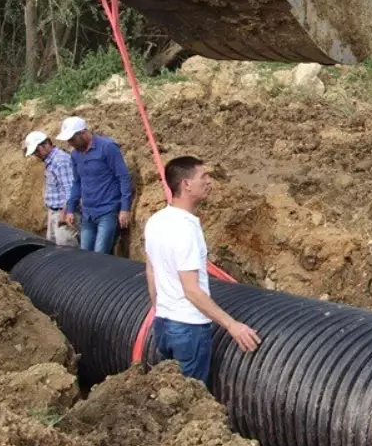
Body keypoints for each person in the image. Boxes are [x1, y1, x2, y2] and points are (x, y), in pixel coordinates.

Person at [145, 156, 260, 385]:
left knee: (168, 392)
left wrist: (160, 308)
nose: (209, 181)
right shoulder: (186, 230)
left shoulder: (155, 221)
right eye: (203, 176)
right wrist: (232, 325)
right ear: (186, 184)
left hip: (163, 325)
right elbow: (192, 290)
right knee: (191, 399)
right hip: (189, 329)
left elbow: (151, 271)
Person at [58, 116, 133, 255]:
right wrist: (70, 209)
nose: (70, 143)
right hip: (88, 213)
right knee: (85, 254)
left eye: (72, 139)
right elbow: (77, 182)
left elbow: (123, 177)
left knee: (100, 254)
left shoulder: (107, 147)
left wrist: (124, 208)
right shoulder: (75, 155)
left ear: (82, 133)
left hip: (108, 210)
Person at [23, 130, 78, 247]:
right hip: (54, 211)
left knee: (67, 248)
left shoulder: (60, 161)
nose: (36, 155)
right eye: (34, 152)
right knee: (53, 246)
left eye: (37, 151)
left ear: (46, 144)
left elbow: (69, 189)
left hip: (63, 212)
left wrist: (64, 213)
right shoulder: (51, 162)